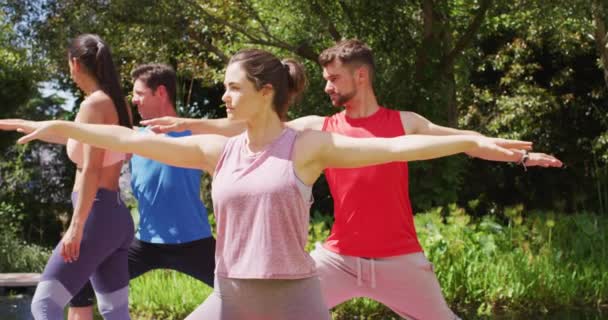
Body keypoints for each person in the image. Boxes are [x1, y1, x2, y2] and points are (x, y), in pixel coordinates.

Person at [1, 48, 533, 320]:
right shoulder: (217, 150)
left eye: (232, 88)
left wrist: (471, 141)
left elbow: (396, 147)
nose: (225, 97)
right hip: (232, 294)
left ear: (263, 92)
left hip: (297, 298)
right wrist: (61, 127)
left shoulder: (306, 145)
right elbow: (129, 138)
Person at [141, 40, 563, 319]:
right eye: (324, 78)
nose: (326, 85)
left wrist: (519, 156)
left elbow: (463, 142)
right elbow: (245, 124)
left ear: (360, 76)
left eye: (334, 78)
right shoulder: (316, 128)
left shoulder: (404, 122)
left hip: (401, 260)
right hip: (338, 259)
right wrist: (190, 122)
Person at [67, 64, 215, 320]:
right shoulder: (133, 138)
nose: (133, 100)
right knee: (80, 284)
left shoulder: (198, 133)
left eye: (139, 93)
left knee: (245, 290)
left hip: (195, 242)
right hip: (146, 244)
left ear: (160, 93)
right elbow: (89, 135)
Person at [17, 34, 134, 320]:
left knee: (44, 304)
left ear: (75, 63)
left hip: (95, 215)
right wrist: (30, 125)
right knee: (115, 311)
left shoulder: (92, 105)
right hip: (116, 217)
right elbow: (98, 149)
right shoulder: (119, 105)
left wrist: (76, 226)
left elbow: (91, 168)